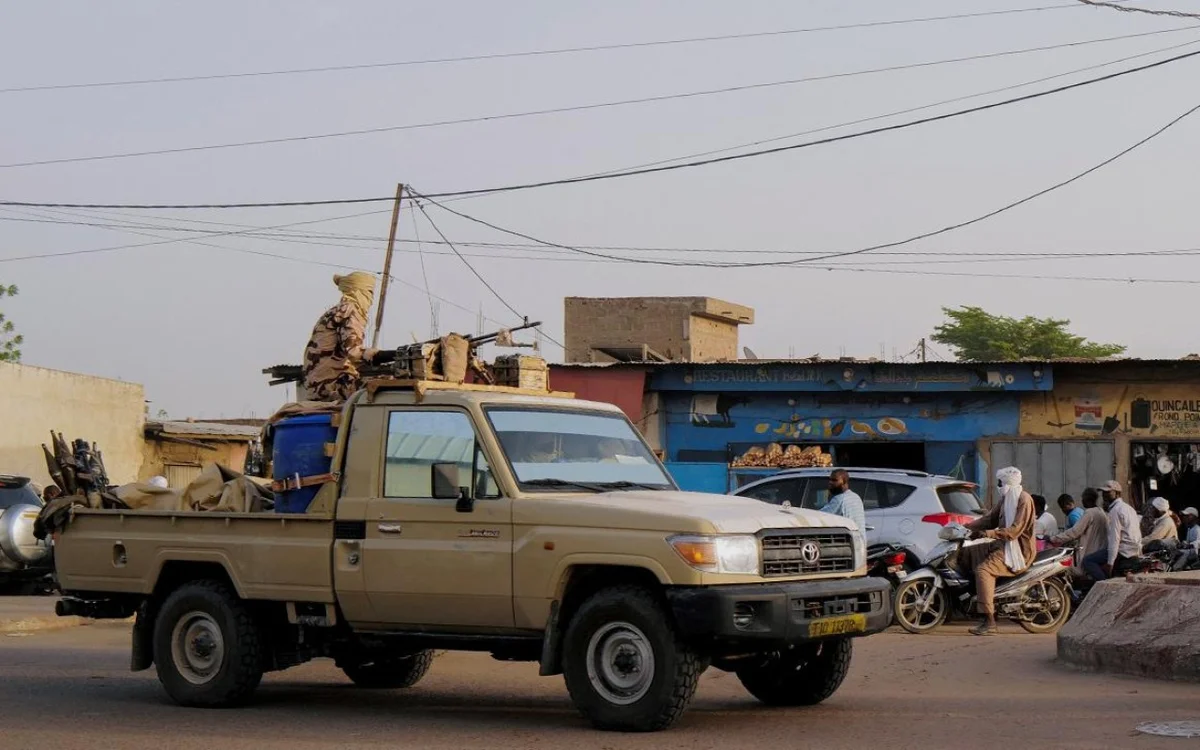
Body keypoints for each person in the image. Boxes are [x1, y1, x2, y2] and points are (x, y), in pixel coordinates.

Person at [961, 466, 1036, 636]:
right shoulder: (1006, 499)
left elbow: (1015, 531)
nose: (998, 485)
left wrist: (987, 533)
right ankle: (976, 597)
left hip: (1017, 550)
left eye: (999, 482)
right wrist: (964, 528)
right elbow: (990, 519)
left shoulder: (1024, 500)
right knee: (967, 553)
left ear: (1007, 483)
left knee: (983, 570)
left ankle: (989, 621)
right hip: (1002, 544)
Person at [302, 271, 380, 403]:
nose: (371, 300)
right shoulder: (349, 310)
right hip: (331, 386)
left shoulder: (336, 310)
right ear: (358, 291)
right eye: (369, 293)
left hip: (318, 385)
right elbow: (354, 352)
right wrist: (390, 355)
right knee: (389, 386)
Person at [1082, 480, 1142, 581]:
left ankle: (1104, 584)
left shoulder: (1115, 511)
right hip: (1133, 548)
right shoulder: (1128, 508)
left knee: (1088, 561)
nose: (1105, 495)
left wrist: (1110, 563)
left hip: (1122, 550)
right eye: (1103, 493)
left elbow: (1115, 538)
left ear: (1117, 493)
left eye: (1108, 492)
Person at [1050, 487, 1109, 579]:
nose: (1082, 501)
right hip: (1099, 548)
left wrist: (1053, 538)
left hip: (1091, 549)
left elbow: (1074, 532)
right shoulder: (1100, 511)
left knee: (1072, 569)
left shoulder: (1089, 513)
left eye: (1083, 499)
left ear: (1087, 499)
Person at [819, 469, 866, 540]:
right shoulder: (856, 497)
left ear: (845, 482)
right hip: (860, 542)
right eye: (830, 480)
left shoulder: (839, 499)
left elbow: (819, 516)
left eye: (835, 480)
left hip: (849, 543)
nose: (830, 482)